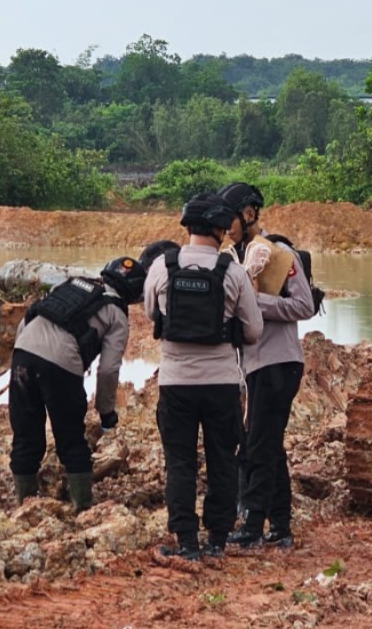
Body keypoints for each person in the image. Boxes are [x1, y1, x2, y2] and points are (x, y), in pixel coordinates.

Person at [144, 193, 263, 561]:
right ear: (219, 228)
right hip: (221, 384)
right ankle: (217, 540)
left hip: (176, 384)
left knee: (179, 463)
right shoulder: (234, 272)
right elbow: (255, 330)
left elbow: (151, 314)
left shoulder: (162, 267)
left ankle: (187, 543)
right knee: (222, 460)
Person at [216, 182, 317, 550]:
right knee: (269, 445)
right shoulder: (238, 256)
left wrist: (256, 303)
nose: (226, 226)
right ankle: (282, 527)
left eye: (230, 218)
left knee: (258, 445)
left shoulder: (278, 252)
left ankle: (254, 526)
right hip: (255, 366)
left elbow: (303, 307)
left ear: (248, 214)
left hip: (280, 362)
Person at [8, 256, 146, 512]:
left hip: (23, 353)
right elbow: (108, 370)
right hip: (61, 364)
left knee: (25, 434)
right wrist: (106, 413)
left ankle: (23, 505)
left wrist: (20, 362)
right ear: (134, 292)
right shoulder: (117, 313)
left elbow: (29, 317)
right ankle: (82, 507)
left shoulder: (70, 284)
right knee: (71, 437)